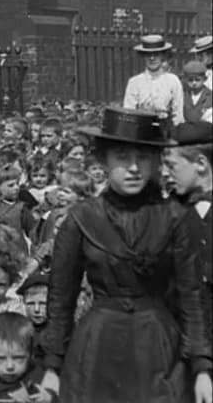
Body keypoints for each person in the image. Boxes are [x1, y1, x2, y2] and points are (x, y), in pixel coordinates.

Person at [41, 106, 212, 403]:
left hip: (159, 348)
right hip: (97, 349)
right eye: (122, 157)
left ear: (157, 162)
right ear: (104, 160)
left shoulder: (174, 216)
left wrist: (201, 368)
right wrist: (53, 365)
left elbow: (191, 297)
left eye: (143, 158)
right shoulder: (81, 218)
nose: (134, 168)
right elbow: (61, 297)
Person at [163, 121, 212, 348]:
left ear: (200, 163)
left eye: (171, 165)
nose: (165, 173)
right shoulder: (164, 215)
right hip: (178, 344)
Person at [0, 312, 57, 403]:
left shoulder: (39, 373)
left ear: (30, 354)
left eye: (18, 358)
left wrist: (50, 398)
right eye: (1, 359)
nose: (10, 366)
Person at [123, 34, 184, 125]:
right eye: (148, 55)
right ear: (143, 56)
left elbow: (178, 113)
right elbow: (128, 112)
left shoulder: (173, 81)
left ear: (162, 55)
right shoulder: (134, 82)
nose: (152, 58)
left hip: (165, 129)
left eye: (156, 54)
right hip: (141, 129)